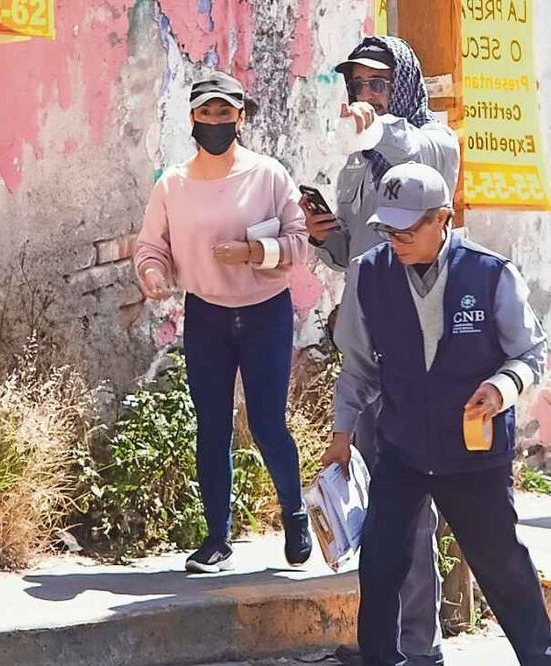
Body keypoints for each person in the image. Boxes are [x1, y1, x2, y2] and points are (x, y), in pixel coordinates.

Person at [322, 162, 551, 666]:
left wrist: (501, 388)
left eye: (408, 229)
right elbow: (359, 367)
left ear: (443, 219)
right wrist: (341, 432)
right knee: (381, 563)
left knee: (500, 564)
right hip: (402, 447)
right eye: (388, 229)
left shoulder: (491, 273)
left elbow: (531, 354)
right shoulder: (368, 273)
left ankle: (542, 659)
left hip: (473, 452)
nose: (396, 239)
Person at [299, 35, 460, 666]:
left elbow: (410, 151)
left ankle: (420, 642)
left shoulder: (432, 143)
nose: (364, 96)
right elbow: (353, 255)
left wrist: (380, 128)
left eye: (378, 84)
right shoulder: (354, 165)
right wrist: (325, 235)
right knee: (377, 498)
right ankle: (383, 639)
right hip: (369, 342)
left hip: (423, 349)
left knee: (413, 499)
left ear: (404, 87)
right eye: (357, 85)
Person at [133, 72, 312, 574]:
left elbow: (300, 243)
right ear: (192, 117)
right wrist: (152, 272)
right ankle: (216, 539)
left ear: (241, 116)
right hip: (206, 314)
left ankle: (294, 513)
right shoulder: (173, 183)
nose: (215, 120)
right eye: (206, 112)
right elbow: (152, 246)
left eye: (224, 112)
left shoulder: (268, 174)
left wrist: (254, 252)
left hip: (265, 312)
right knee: (211, 426)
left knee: (266, 424)